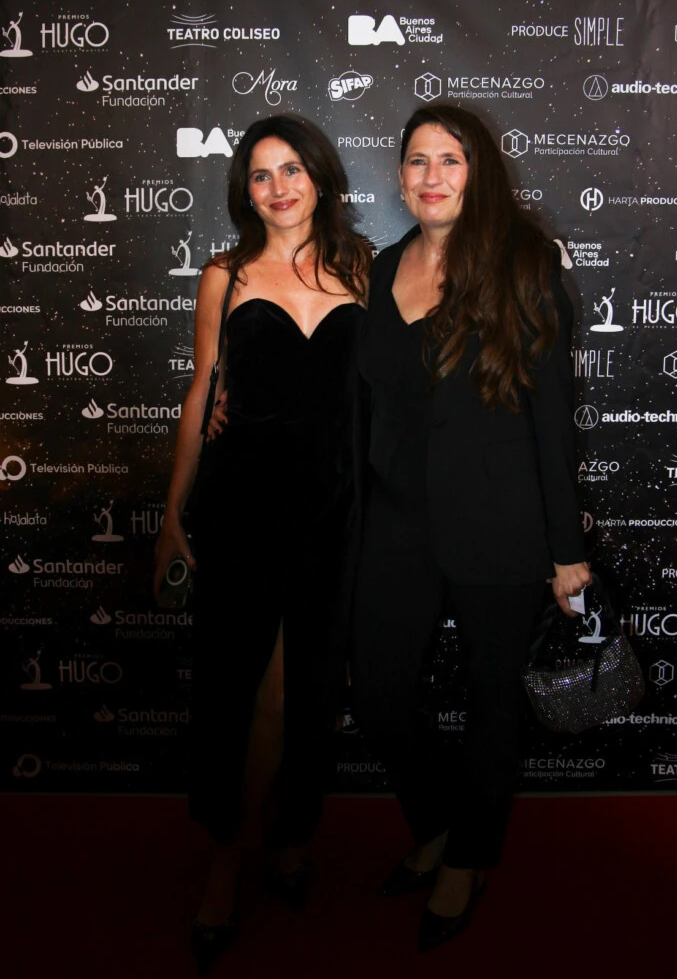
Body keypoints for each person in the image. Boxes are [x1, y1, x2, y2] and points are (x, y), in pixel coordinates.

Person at [350, 104, 590, 952]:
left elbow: (551, 416)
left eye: (448, 159)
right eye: (417, 160)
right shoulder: (382, 268)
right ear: (399, 176)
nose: (431, 176)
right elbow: (364, 398)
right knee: (377, 694)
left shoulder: (522, 261)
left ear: (476, 169)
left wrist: (565, 552)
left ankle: (467, 856)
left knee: (493, 700)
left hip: (499, 520)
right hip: (396, 519)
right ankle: (438, 823)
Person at [154, 114, 370, 971]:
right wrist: (172, 513)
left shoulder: (362, 268)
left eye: (291, 170)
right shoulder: (226, 275)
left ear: (319, 176)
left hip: (333, 511)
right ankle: (226, 856)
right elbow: (200, 392)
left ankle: (284, 837)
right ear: (243, 190)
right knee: (239, 687)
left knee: (305, 692)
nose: (277, 188)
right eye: (259, 174)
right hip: (242, 506)